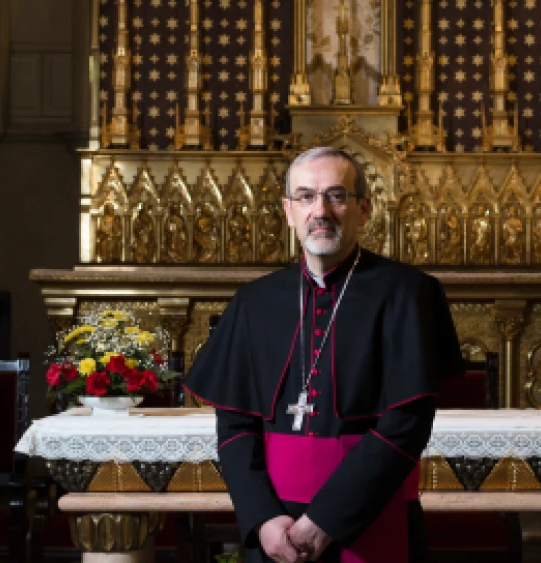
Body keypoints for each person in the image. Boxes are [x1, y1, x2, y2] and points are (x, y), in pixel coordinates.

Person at [183, 146, 463, 563]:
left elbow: (407, 424)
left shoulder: (408, 293)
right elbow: (236, 425)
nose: (321, 210)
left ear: (364, 209)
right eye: (306, 197)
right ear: (288, 210)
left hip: (371, 516)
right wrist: (262, 519)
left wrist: (327, 519)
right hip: (276, 529)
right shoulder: (254, 301)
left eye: (336, 195)